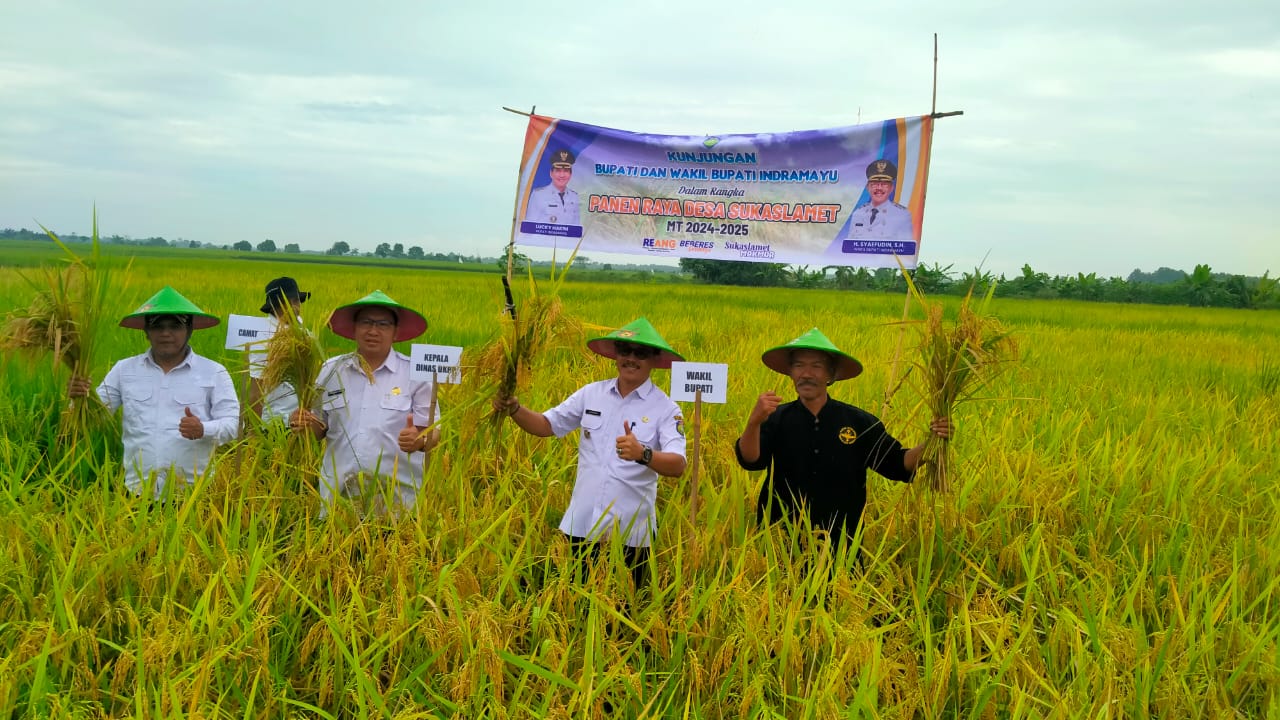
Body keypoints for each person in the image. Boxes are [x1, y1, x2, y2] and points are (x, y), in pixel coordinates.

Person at [493, 317, 687, 589]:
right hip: (581, 524)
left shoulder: (666, 409)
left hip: (630, 536)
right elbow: (547, 425)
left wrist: (643, 454)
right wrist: (514, 408)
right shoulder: (591, 394)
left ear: (654, 359)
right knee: (566, 605)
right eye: (624, 350)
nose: (631, 358)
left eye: (640, 353)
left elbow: (678, 465)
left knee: (620, 615)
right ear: (616, 355)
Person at [734, 328, 951, 566]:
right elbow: (751, 460)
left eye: (816, 366)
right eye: (798, 366)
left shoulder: (859, 422)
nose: (806, 374)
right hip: (781, 542)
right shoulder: (776, 418)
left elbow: (898, 463)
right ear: (790, 372)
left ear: (831, 374)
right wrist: (754, 421)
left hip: (842, 544)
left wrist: (933, 440)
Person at [67, 286, 240, 499]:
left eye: (175, 326)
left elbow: (233, 425)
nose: (166, 333)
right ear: (146, 331)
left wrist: (203, 428)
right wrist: (79, 400)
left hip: (194, 495)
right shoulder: (124, 370)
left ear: (190, 329)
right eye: (158, 326)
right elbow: (94, 419)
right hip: (137, 494)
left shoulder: (214, 372)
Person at [290, 290, 439, 518]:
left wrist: (419, 440)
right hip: (338, 503)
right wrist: (303, 423)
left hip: (397, 505)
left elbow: (434, 433)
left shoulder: (415, 374)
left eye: (383, 324)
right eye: (366, 322)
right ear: (354, 328)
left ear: (396, 332)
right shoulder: (331, 370)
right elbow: (319, 429)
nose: (373, 331)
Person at [248, 276, 311, 422]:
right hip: (274, 423)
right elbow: (257, 390)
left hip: (303, 420)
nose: (297, 307)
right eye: (292, 302)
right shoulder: (264, 339)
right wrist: (253, 431)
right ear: (276, 306)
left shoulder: (303, 331)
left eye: (298, 301)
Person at [846, 159, 914, 240]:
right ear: (868, 187)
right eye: (874, 184)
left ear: (891, 188)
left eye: (884, 184)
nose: (879, 188)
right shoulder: (858, 214)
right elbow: (849, 246)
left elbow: (906, 249)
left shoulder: (902, 215)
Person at [524, 148, 581, 226]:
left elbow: (576, 228)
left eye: (566, 171)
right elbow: (529, 227)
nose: (562, 175)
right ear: (551, 173)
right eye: (558, 170)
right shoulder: (539, 195)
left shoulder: (574, 197)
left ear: (570, 174)